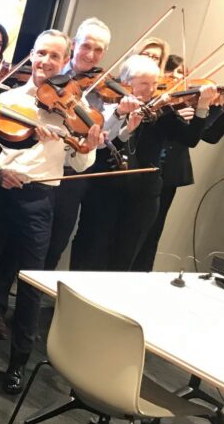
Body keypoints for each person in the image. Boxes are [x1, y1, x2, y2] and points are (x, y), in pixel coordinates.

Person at [0, 30, 103, 394]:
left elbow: (81, 164)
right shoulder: (8, 98)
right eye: (41, 54)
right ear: (32, 56)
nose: (46, 62)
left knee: (31, 280)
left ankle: (18, 359)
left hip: (40, 199)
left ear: (65, 61)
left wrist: (88, 144)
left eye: (55, 56)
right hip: (1, 188)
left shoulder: (73, 108)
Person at [70, 55, 216, 271]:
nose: (152, 90)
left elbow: (190, 139)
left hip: (144, 195)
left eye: (155, 84)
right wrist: (123, 120)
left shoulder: (163, 111)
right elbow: (101, 149)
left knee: (124, 259)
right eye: (145, 84)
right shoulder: (109, 108)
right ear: (126, 83)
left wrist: (203, 105)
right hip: (106, 192)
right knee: (91, 250)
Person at [130, 56, 224, 271]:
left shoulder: (188, 103)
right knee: (130, 235)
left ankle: (140, 278)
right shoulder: (162, 103)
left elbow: (206, 136)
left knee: (152, 234)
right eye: (173, 72)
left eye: (183, 73)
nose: (178, 77)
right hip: (142, 170)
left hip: (170, 173)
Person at [42, 17, 132, 270]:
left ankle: (32, 298)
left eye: (99, 50)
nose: (91, 55)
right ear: (73, 44)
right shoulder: (53, 71)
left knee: (57, 238)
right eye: (86, 46)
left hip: (73, 172)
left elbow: (105, 139)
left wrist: (118, 115)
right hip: (40, 163)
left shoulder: (107, 88)